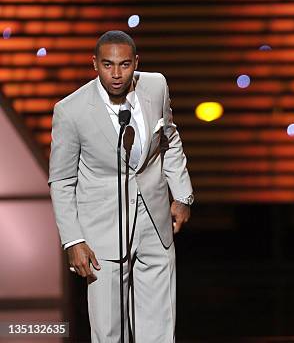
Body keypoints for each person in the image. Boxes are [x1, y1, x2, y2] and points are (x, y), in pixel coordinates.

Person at [49, 30, 194, 342]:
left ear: (136, 63)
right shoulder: (71, 110)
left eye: (125, 65)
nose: (116, 74)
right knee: (109, 331)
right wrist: (73, 240)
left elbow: (169, 137)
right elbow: (61, 181)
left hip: (155, 224)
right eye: (107, 65)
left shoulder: (156, 86)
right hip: (102, 233)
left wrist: (182, 195)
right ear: (95, 64)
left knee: (159, 329)